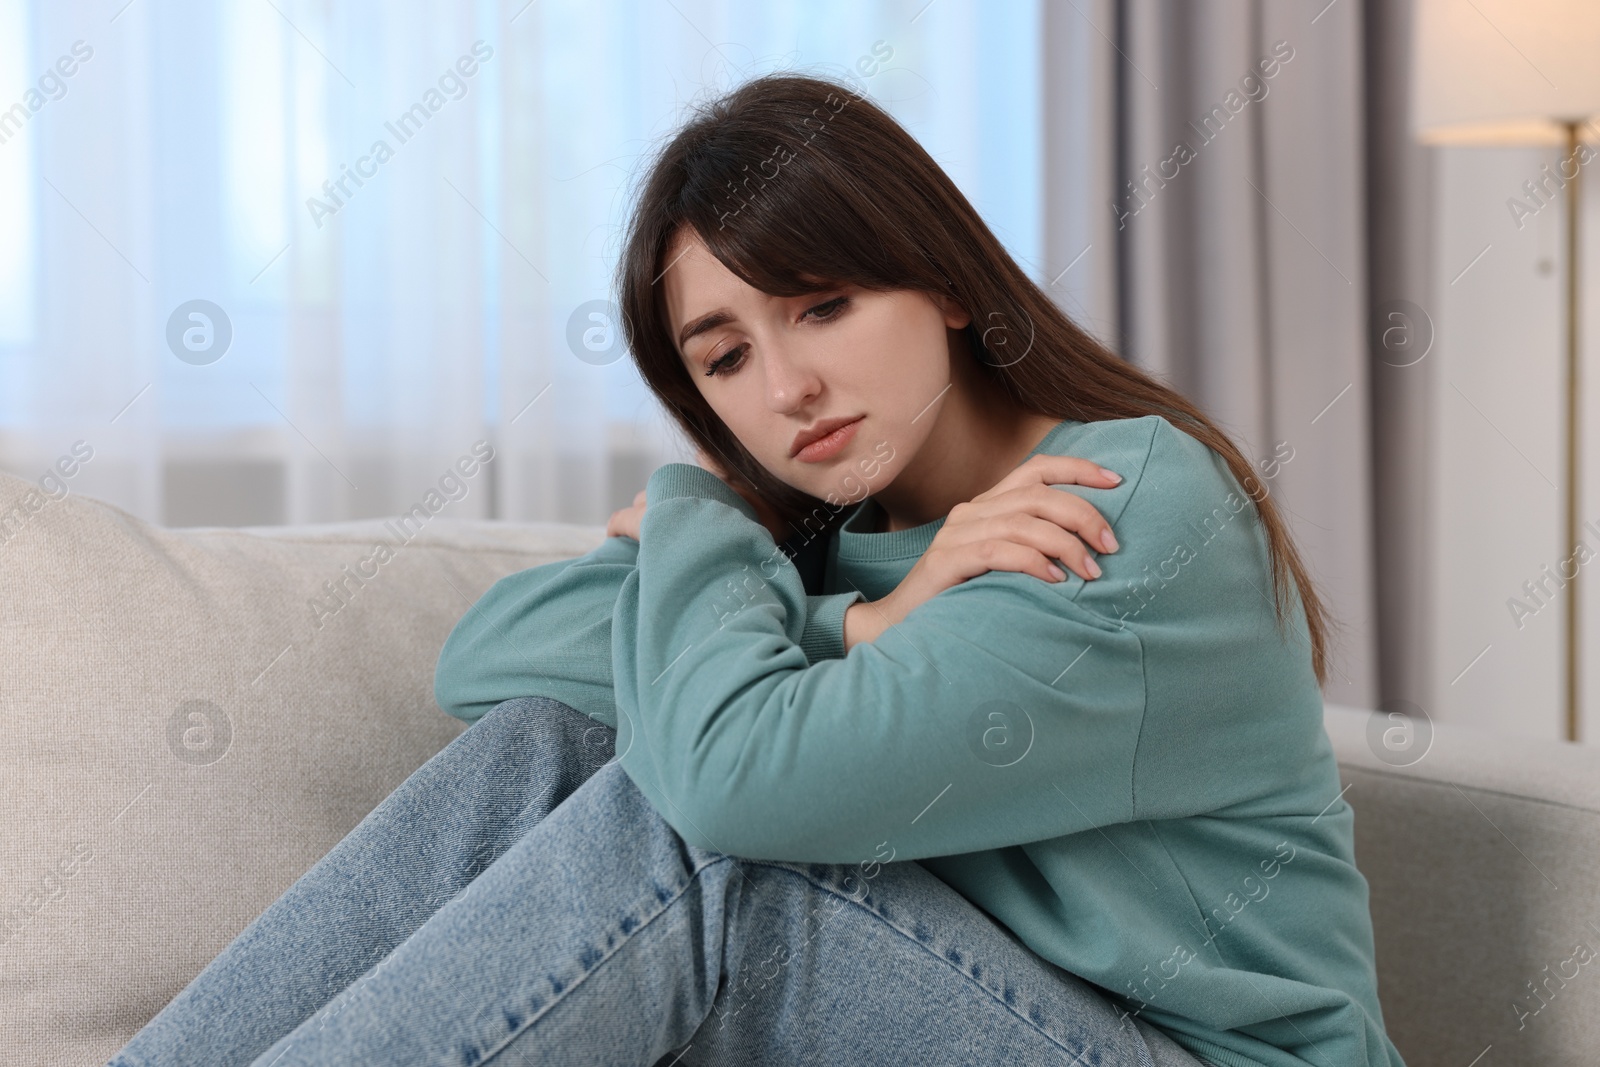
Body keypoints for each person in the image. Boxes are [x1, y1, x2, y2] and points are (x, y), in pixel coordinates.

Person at [108, 73, 1406, 1066]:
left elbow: (729, 790)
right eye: (724, 359)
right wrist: (863, 618)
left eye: (823, 306)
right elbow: (496, 662)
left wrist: (691, 513)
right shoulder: (835, 543)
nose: (786, 389)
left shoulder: (1119, 501)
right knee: (557, 747)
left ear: (945, 284)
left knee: (711, 855)